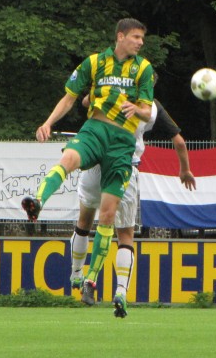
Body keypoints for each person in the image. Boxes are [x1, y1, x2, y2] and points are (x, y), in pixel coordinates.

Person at [21, 18, 154, 304]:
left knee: (107, 215)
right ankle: (39, 200)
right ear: (120, 36)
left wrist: (137, 109)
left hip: (122, 143)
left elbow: (148, 110)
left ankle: (91, 281)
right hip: (95, 128)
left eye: (142, 38)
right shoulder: (94, 63)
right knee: (68, 157)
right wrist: (47, 122)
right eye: (136, 37)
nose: (140, 42)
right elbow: (70, 97)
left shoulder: (143, 69)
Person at [71, 91, 196, 317]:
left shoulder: (107, 89)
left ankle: (77, 274)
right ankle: (120, 292)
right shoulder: (151, 108)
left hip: (96, 165)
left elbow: (85, 102)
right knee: (125, 235)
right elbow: (179, 140)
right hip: (124, 168)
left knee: (84, 221)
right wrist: (185, 169)